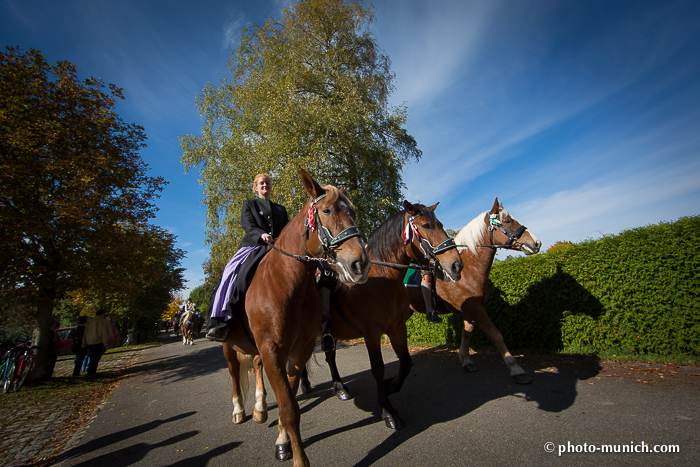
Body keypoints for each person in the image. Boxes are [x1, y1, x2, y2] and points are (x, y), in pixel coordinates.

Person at [206, 173, 289, 340]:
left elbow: (287, 230)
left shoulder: (281, 209)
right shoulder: (249, 205)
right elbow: (247, 225)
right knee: (231, 273)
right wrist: (262, 234)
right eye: (261, 183)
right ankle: (220, 321)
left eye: (267, 183)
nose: (265, 185)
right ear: (256, 188)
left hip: (278, 247)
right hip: (254, 246)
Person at [82, 309, 113, 378]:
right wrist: (105, 343)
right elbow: (102, 333)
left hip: (90, 342)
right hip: (97, 341)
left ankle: (91, 372)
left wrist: (85, 343)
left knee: (92, 358)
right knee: (95, 358)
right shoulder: (102, 321)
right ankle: (91, 373)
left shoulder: (91, 322)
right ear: (103, 314)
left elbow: (85, 333)